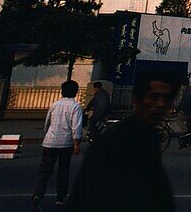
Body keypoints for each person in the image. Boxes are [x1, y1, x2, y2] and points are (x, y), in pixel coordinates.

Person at [66, 69, 177, 211]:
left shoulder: (149, 136)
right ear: (137, 99)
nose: (160, 104)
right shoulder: (117, 140)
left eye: (166, 99)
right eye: (154, 97)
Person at [31, 79, 83, 211]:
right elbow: (76, 127)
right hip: (65, 143)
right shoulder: (75, 106)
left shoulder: (54, 104)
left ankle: (37, 194)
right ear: (76, 92)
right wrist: (77, 143)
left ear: (62, 91)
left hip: (49, 142)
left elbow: (47, 123)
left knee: (44, 170)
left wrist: (48, 133)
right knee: (63, 171)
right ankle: (60, 198)